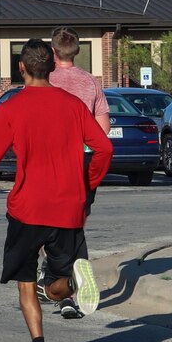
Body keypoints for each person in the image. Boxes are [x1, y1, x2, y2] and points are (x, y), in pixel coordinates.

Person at [0, 39, 112, 342]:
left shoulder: (11, 108)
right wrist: (88, 184)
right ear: (51, 66)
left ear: (21, 68)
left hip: (28, 208)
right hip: (69, 207)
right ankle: (73, 280)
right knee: (55, 286)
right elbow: (103, 148)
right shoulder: (72, 105)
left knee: (26, 284)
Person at [46, 26, 111, 317]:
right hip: (84, 159)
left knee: (48, 224)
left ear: (52, 51)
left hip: (50, 160)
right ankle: (75, 272)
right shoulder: (90, 82)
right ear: (78, 51)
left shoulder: (44, 79)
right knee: (76, 221)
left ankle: (64, 289)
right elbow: (103, 126)